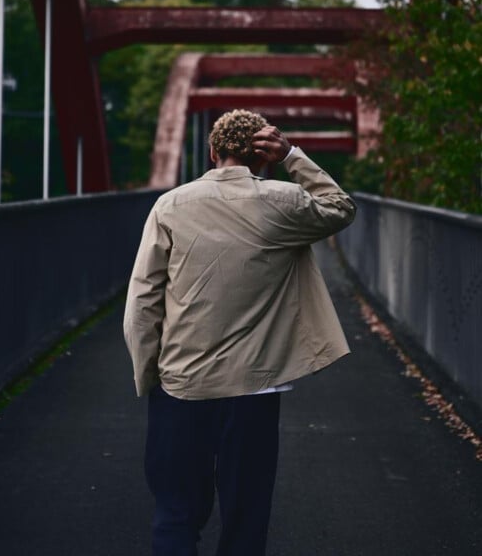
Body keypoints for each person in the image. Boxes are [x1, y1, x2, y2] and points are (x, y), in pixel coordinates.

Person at [124, 109, 356, 556]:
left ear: (213, 152)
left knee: (175, 513)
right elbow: (340, 207)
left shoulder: (170, 205)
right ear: (261, 159)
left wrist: (150, 376)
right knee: (246, 516)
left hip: (181, 385)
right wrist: (294, 155)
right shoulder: (283, 202)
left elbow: (142, 304)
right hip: (255, 390)